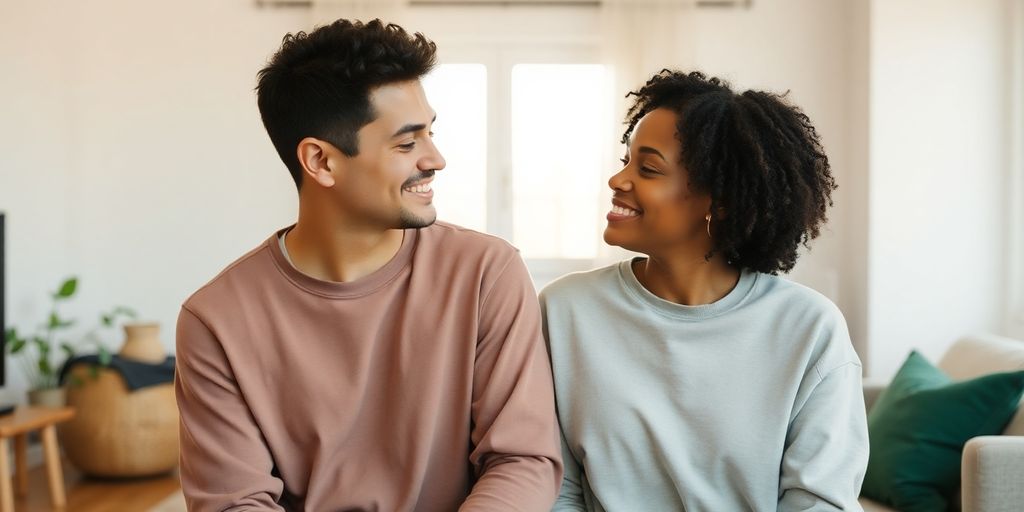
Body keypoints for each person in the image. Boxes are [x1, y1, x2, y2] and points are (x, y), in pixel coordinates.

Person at [174, 19, 562, 512]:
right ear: (321, 162)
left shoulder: (486, 272)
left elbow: (521, 461)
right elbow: (234, 502)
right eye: (407, 143)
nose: (436, 159)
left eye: (430, 134)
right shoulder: (216, 320)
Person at [541, 70, 868, 511]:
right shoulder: (564, 311)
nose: (618, 181)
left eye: (649, 168)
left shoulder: (809, 328)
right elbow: (554, 485)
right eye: (626, 160)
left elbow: (819, 501)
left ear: (720, 201)